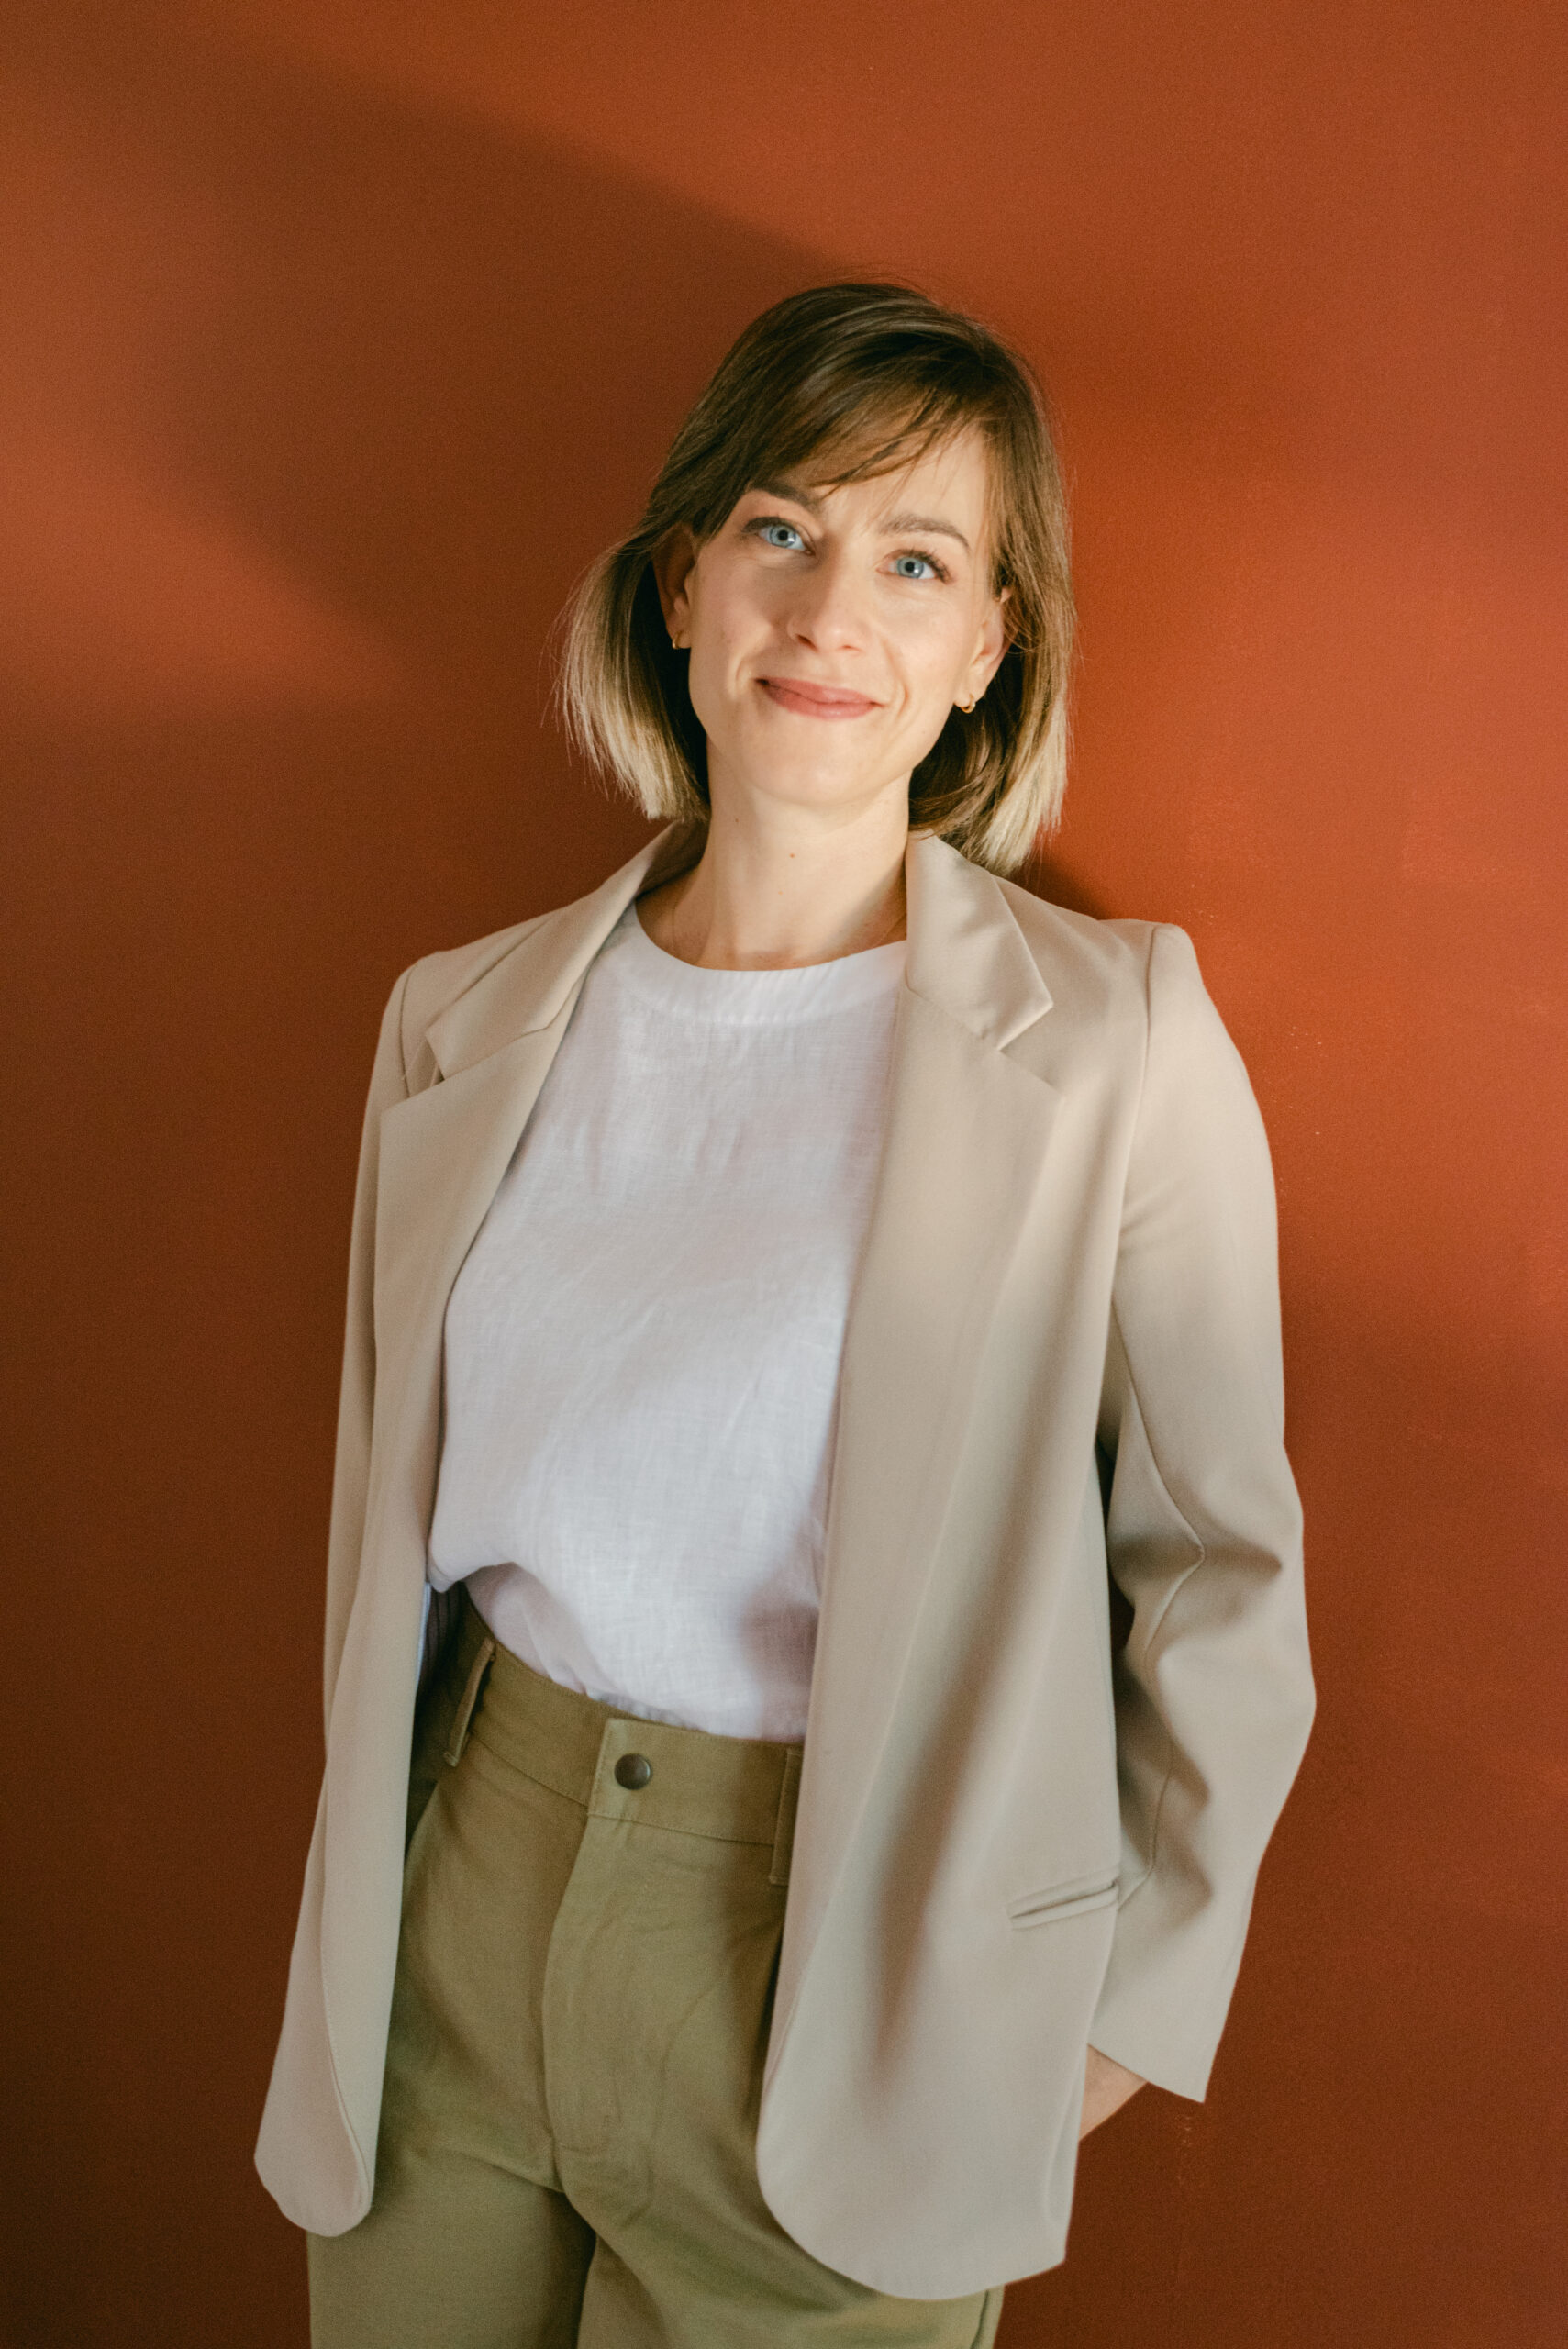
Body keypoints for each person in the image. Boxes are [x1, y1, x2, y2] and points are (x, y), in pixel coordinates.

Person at [257, 282, 1315, 2347]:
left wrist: (1114, 2014)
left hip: (845, 1956)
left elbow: (1220, 1563)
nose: (836, 608)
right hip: (460, 1906)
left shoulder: (1113, 1042)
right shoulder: (455, 1020)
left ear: (990, 644)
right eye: (782, 528)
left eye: (916, 559)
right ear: (682, 583)